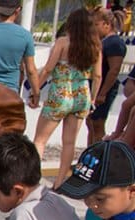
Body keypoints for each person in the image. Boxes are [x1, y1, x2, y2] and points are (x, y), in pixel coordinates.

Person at [32, 8, 102, 189]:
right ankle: (59, 181)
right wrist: (93, 99)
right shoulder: (95, 46)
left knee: (40, 140)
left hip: (60, 94)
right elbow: (98, 76)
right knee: (69, 142)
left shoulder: (63, 42)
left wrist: (36, 90)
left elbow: (48, 69)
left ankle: (35, 180)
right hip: (82, 95)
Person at [86, 7, 126, 145]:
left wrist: (102, 93)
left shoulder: (115, 43)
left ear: (106, 24)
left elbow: (114, 70)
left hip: (105, 89)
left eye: (96, 25)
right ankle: (89, 154)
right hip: (96, 88)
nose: (94, 28)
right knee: (90, 122)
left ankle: (98, 157)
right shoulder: (103, 42)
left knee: (97, 123)